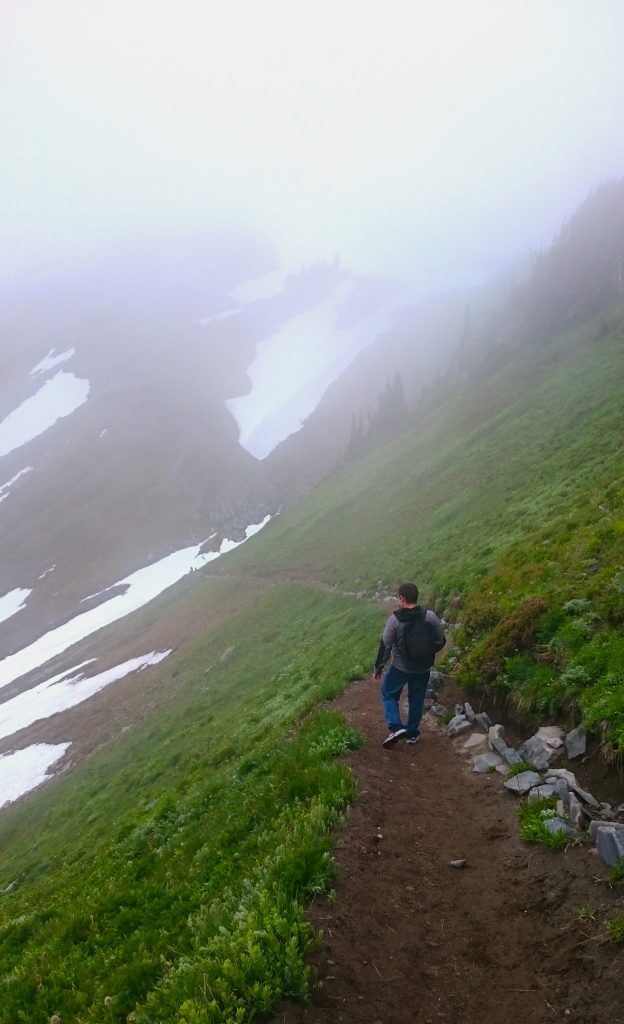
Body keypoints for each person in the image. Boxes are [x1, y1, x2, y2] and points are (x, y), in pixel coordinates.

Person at [372, 582, 446, 748]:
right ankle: (412, 734)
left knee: (388, 693)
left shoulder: (394, 620)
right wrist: (427, 653)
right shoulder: (430, 616)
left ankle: (396, 727)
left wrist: (378, 668)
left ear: (402, 599)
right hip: (423, 668)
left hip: (400, 667)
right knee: (417, 699)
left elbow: (386, 645)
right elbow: (441, 640)